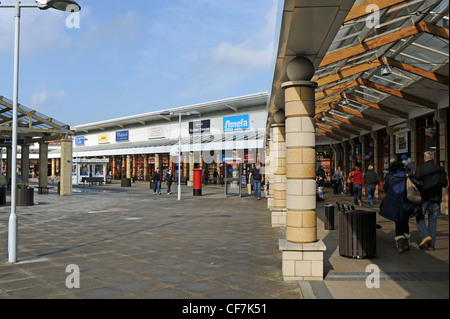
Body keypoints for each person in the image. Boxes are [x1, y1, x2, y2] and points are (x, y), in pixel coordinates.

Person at [379, 161, 420, 253]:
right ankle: (406, 243)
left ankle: (400, 245)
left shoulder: (389, 177)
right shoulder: (407, 176)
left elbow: (385, 188)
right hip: (406, 203)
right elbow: (418, 185)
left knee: (398, 222)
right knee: (405, 221)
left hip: (394, 204)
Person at [414, 151, 448, 250]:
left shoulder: (420, 169)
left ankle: (425, 236)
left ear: (425, 158)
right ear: (433, 158)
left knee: (419, 217)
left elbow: (415, 183)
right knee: (433, 220)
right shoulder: (440, 169)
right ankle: (431, 245)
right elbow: (444, 184)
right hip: (436, 198)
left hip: (423, 198)